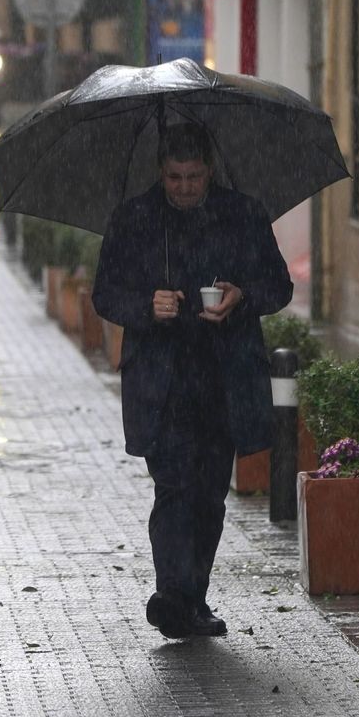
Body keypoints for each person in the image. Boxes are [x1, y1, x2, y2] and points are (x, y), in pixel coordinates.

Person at [91, 123, 293, 638]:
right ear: (161, 172)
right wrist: (146, 306)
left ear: (209, 171)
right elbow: (105, 294)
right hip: (162, 385)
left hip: (224, 381)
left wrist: (240, 296)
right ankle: (174, 596)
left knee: (209, 495)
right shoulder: (135, 219)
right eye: (174, 177)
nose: (183, 187)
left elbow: (279, 286)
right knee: (175, 487)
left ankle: (190, 598)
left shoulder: (242, 214)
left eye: (193, 177)